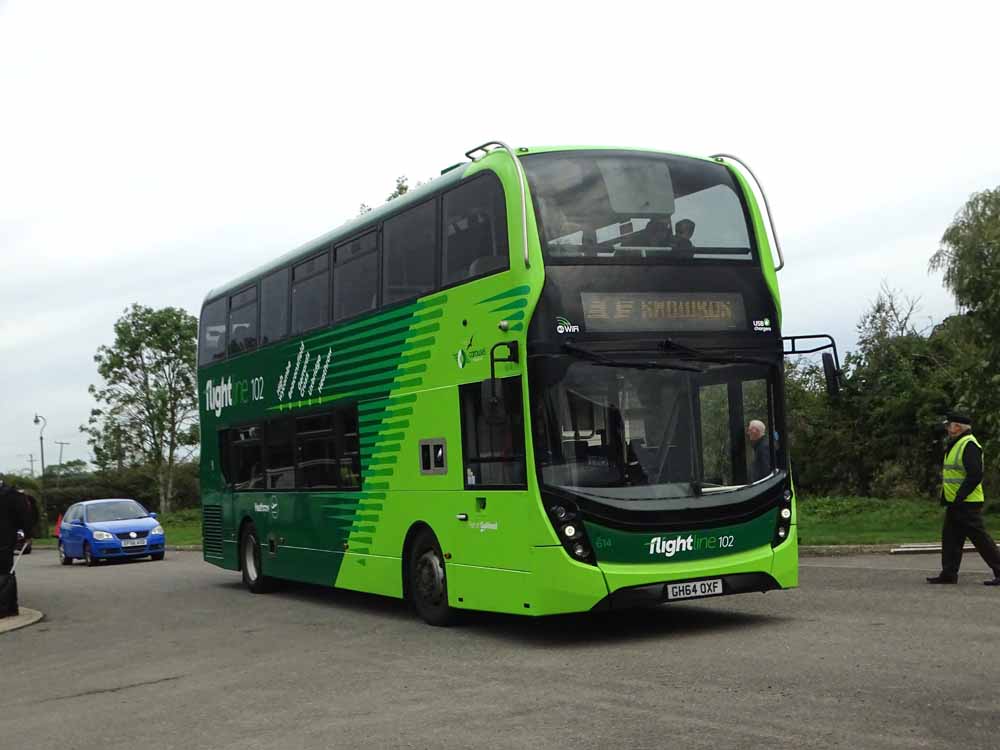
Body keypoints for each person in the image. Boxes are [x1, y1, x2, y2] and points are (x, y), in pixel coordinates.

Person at [927, 412, 1000, 585]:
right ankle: (949, 574)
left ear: (957, 427)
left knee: (980, 539)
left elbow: (975, 475)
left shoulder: (969, 445)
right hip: (956, 502)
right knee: (951, 538)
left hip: (966, 502)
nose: (946, 428)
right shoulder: (957, 443)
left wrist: (960, 496)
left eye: (949, 425)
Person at [0, 478, 35, 617]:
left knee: (5, 572)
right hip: (5, 539)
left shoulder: (12, 496)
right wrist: (28, 534)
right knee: (6, 572)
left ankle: (7, 607)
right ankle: (8, 607)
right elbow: (25, 516)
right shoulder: (12, 495)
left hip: (5, 539)